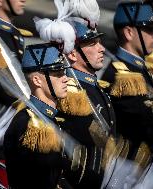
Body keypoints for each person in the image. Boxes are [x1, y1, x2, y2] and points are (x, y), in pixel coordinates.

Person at [34, 0, 117, 187]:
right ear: (72, 54)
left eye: (100, 42)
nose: (101, 48)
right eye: (92, 44)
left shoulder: (92, 87)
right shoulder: (69, 93)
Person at [101, 0, 153, 170]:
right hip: (132, 170)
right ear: (129, 32)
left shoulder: (138, 68)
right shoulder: (122, 75)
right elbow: (150, 115)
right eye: (150, 30)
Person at [4, 43, 70, 189]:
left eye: (64, 72)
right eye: (58, 74)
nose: (66, 78)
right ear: (37, 80)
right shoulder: (29, 123)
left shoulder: (48, 118)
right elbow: (38, 180)